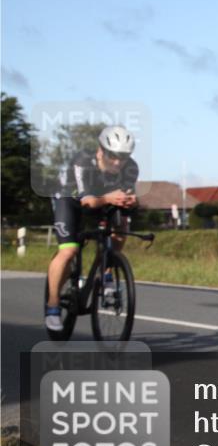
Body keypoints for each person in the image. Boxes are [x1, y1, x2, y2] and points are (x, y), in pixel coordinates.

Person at [45, 125, 139, 331]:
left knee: (121, 224)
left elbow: (125, 196)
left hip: (102, 199)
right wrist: (109, 197)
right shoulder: (82, 162)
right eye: (113, 155)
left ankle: (104, 271)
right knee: (69, 251)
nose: (118, 162)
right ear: (100, 151)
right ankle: (52, 305)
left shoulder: (131, 167)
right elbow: (87, 202)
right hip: (70, 199)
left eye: (123, 156)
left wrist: (130, 200)